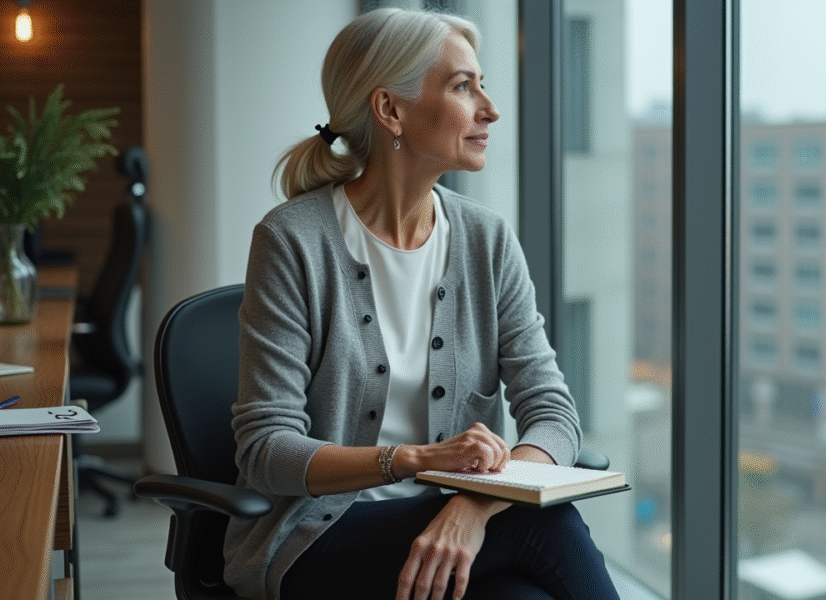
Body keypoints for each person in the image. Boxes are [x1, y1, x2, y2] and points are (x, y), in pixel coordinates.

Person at [223, 7, 620, 600]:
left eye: (482, 85)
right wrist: (412, 459)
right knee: (548, 522)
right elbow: (266, 450)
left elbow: (553, 413)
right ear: (391, 110)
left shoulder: (486, 239)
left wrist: (474, 504)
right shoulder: (292, 240)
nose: (490, 108)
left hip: (451, 529)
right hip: (319, 536)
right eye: (464, 86)